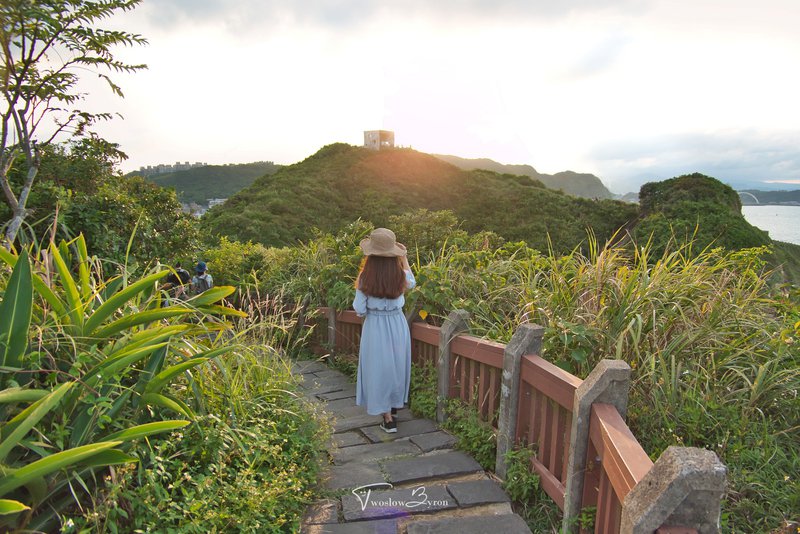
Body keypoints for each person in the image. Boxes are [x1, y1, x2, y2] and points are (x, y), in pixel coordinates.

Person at [353, 228, 416, 433]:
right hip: (397, 323)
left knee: (378, 369)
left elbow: (360, 308)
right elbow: (412, 282)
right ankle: (394, 405)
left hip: (376, 326)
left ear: (371, 254)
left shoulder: (365, 277)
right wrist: (404, 257)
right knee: (396, 366)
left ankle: (388, 418)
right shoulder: (399, 275)